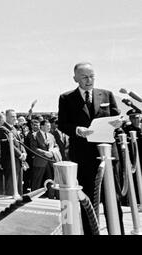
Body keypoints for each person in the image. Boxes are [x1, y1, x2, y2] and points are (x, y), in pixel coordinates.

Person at [58, 62, 124, 235]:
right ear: (75, 79)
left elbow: (118, 118)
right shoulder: (66, 98)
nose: (89, 80)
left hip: (107, 155)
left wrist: (118, 123)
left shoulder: (107, 95)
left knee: (113, 201)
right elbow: (63, 124)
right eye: (84, 77)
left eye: (92, 76)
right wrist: (77, 130)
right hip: (83, 156)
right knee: (87, 202)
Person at [0, 109, 27, 196]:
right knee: (11, 184)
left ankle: (18, 200)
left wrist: (24, 152)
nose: (15, 118)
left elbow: (20, 142)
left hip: (18, 160)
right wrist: (20, 154)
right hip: (10, 160)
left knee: (18, 183)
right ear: (6, 117)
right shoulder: (3, 129)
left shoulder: (14, 128)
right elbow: (8, 144)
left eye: (15, 116)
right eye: (12, 116)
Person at [30, 119, 59, 198]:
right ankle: (33, 196)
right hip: (40, 162)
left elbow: (56, 146)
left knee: (50, 180)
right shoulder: (35, 135)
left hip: (50, 162)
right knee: (37, 180)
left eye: (50, 126)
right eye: (47, 126)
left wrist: (53, 152)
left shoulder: (51, 136)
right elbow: (34, 148)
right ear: (42, 126)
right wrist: (45, 153)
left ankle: (51, 195)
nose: (49, 127)